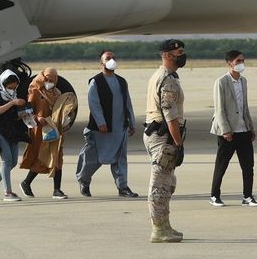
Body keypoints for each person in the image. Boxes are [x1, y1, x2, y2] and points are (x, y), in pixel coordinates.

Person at [76, 51, 138, 198]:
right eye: (108, 58)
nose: (112, 60)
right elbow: (94, 103)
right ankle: (84, 181)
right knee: (93, 159)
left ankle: (123, 187)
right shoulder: (96, 82)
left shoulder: (122, 81)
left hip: (119, 129)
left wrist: (132, 122)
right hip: (101, 130)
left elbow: (127, 103)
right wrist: (101, 122)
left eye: (113, 58)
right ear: (101, 63)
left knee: (120, 158)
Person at [144, 39, 187, 243]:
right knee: (160, 184)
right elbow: (170, 116)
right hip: (163, 136)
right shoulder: (167, 80)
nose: (182, 55)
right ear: (168, 55)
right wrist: (178, 143)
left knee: (168, 182)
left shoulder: (162, 75)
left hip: (158, 134)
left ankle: (165, 225)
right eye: (179, 52)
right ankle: (158, 230)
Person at [18, 68, 77, 199]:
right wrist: (37, 118)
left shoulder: (58, 93)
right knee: (43, 157)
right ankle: (26, 182)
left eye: (52, 80)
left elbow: (60, 110)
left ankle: (57, 190)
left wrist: (67, 116)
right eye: (46, 79)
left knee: (57, 157)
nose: (49, 82)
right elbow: (27, 112)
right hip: (40, 131)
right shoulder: (35, 92)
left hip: (55, 129)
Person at [210, 50, 257, 207]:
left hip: (243, 129)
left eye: (242, 60)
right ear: (229, 63)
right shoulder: (221, 82)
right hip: (227, 131)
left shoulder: (243, 81)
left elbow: (244, 107)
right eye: (238, 61)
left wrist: (250, 127)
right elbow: (219, 109)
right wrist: (225, 130)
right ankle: (214, 195)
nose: (241, 64)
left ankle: (248, 196)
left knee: (248, 165)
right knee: (222, 164)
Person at [0, 70, 30, 202]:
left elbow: (13, 114)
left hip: (13, 131)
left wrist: (23, 113)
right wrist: (13, 103)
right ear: (4, 83)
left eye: (14, 86)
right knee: (7, 161)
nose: (12, 89)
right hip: (0, 131)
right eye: (10, 86)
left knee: (14, 161)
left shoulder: (14, 95)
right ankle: (8, 192)